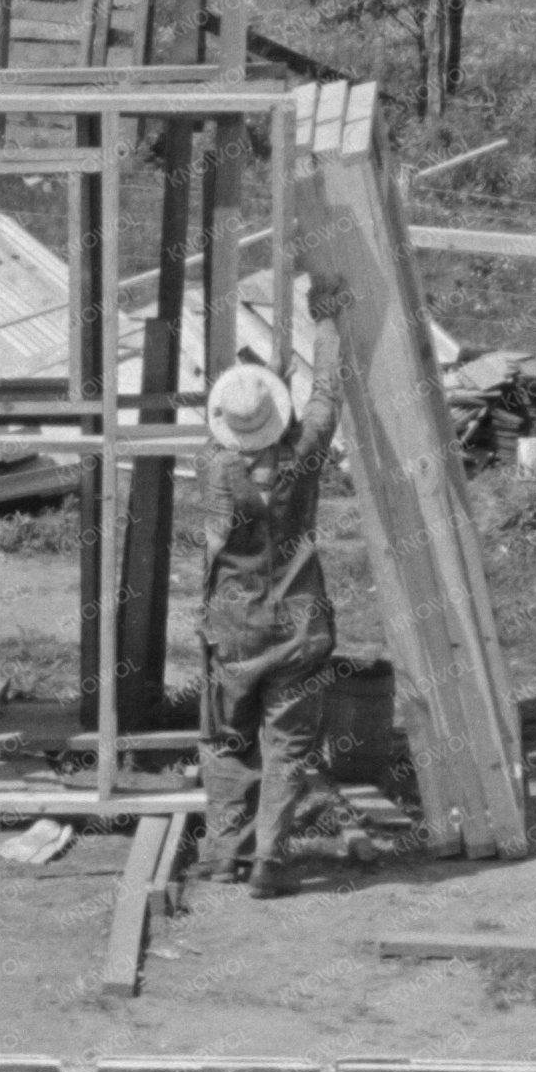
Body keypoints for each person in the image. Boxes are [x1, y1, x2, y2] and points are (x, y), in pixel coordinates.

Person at [191, 330, 349, 897]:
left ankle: (222, 855)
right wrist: (328, 325)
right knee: (287, 745)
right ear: (276, 415)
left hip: (233, 627)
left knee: (227, 739)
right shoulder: (302, 460)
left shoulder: (212, 469)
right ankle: (269, 861)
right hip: (299, 624)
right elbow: (326, 400)